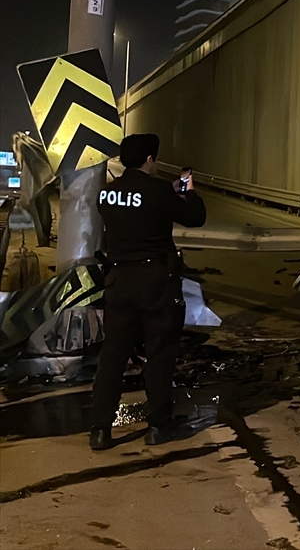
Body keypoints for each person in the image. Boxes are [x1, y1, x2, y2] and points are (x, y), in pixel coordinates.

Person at [89, 134, 207, 450]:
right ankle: (158, 427)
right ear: (150, 160)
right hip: (156, 281)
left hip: (119, 282)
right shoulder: (158, 192)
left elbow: (134, 204)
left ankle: (100, 430)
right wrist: (189, 191)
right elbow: (195, 217)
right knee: (160, 352)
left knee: (112, 355)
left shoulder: (107, 194)